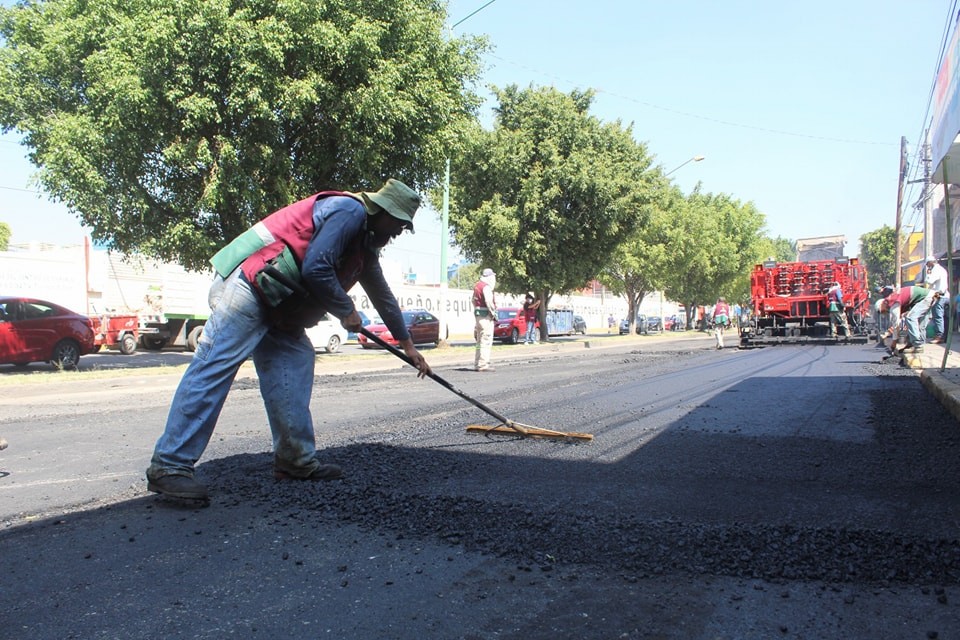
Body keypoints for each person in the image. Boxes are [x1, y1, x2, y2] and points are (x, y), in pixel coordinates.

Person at [145, 179, 432, 502]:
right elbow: (316, 267)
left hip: (281, 302)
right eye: (397, 224)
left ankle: (294, 460)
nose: (396, 233)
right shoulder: (350, 211)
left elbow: (383, 295)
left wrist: (409, 347)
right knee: (215, 364)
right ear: (381, 211)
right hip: (251, 287)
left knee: (296, 361)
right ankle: (169, 465)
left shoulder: (364, 245)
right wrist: (346, 310)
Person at [877, 285, 940, 355]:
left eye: (883, 311)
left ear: (883, 303)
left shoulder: (893, 302)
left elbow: (896, 325)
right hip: (928, 297)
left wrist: (894, 342)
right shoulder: (894, 297)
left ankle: (917, 346)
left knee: (910, 318)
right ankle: (912, 344)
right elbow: (899, 323)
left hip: (926, 298)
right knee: (916, 323)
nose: (885, 312)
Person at [473, 268, 498, 371]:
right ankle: (483, 365)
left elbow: (473, 301)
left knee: (479, 342)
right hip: (485, 317)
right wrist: (494, 314)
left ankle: (477, 363)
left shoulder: (477, 286)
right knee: (485, 341)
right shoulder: (486, 287)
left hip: (478, 317)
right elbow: (489, 302)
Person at [923, 255, 949, 343]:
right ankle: (942, 335)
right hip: (943, 295)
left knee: (937, 315)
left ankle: (939, 336)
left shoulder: (936, 270)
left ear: (931, 262)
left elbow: (929, 281)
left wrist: (928, 273)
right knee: (942, 317)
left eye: (928, 264)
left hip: (939, 295)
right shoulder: (942, 269)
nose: (927, 266)